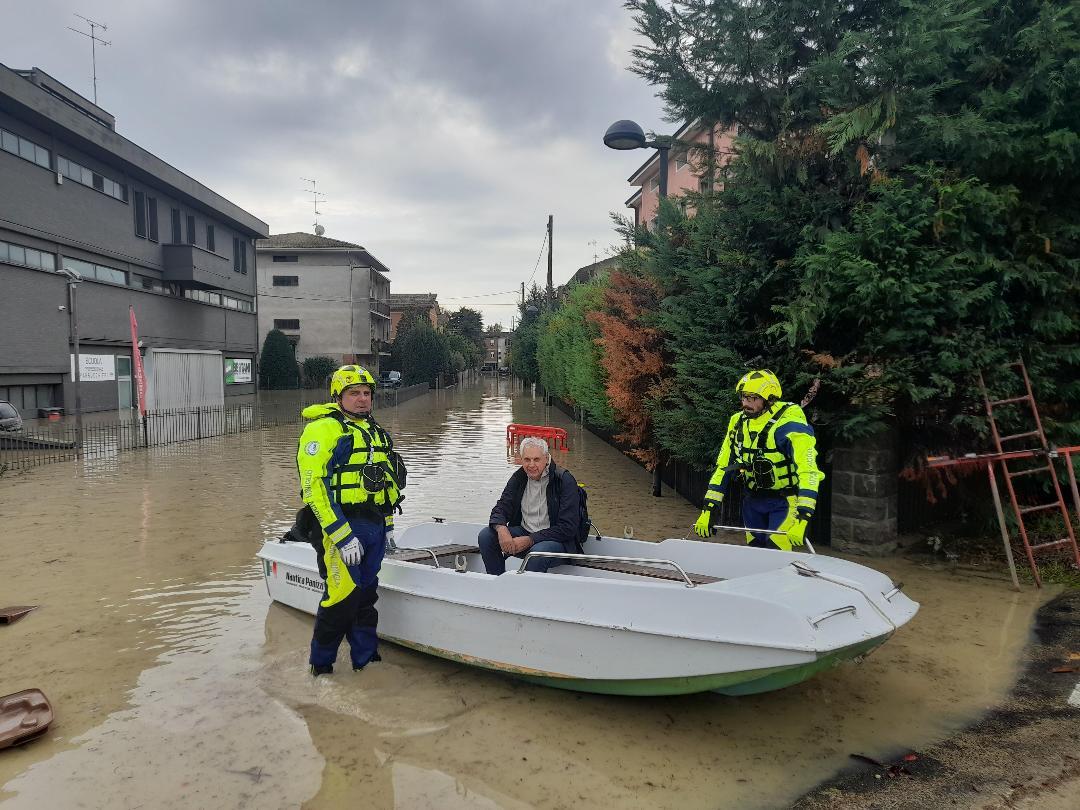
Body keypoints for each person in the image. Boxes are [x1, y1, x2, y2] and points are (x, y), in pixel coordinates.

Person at [296, 364, 406, 676]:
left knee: (366, 595)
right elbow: (313, 488)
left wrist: (388, 526)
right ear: (338, 396)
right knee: (341, 597)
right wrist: (341, 535)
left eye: (367, 393)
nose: (362, 399)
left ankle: (365, 660)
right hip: (340, 526)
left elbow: (385, 483)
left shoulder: (375, 431)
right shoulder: (322, 430)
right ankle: (321, 665)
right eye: (354, 393)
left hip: (374, 525)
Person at [694, 369, 823, 551]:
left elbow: (809, 471)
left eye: (753, 398)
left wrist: (803, 516)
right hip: (752, 502)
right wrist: (708, 509)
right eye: (744, 397)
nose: (746, 403)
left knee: (775, 552)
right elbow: (723, 467)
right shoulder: (737, 423)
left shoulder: (789, 425)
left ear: (769, 399)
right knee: (754, 552)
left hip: (784, 503)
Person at [479, 436, 583, 575]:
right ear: (521, 459)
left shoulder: (564, 480)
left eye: (536, 459)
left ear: (546, 458)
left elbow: (567, 528)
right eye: (527, 459)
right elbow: (502, 507)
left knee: (537, 553)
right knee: (486, 536)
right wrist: (501, 528)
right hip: (526, 532)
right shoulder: (519, 477)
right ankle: (498, 581)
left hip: (558, 542)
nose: (531, 465)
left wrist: (531, 540)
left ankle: (526, 588)